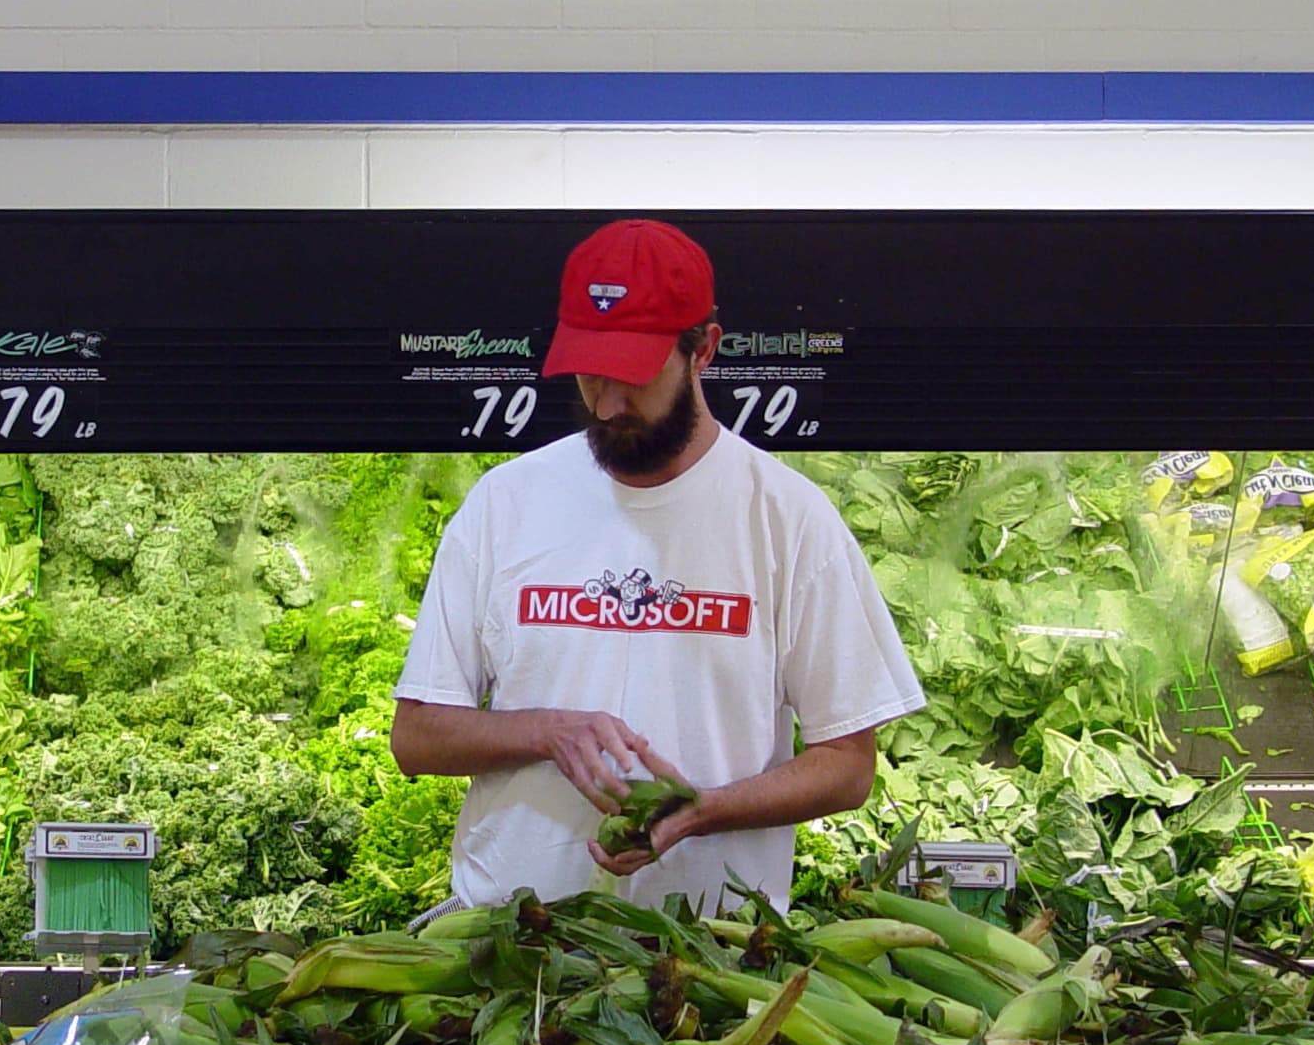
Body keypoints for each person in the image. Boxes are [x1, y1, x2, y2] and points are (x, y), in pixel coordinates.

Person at [388, 218, 925, 913]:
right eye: (589, 374)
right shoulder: (505, 503)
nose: (607, 403)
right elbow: (418, 735)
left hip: (713, 959)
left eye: (634, 376)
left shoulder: (788, 517)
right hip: (516, 945)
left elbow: (848, 767)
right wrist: (546, 730)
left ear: (703, 350)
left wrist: (706, 809)